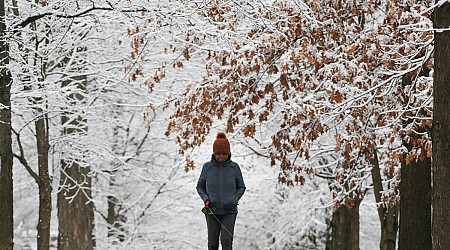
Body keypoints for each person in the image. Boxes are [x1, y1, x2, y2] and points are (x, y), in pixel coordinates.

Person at [196, 132, 246, 250]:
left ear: (228, 153)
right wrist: (206, 198)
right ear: (214, 153)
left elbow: (241, 187)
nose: (221, 156)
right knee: (212, 244)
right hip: (212, 210)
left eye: (224, 154)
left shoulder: (234, 167)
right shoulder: (207, 167)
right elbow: (200, 186)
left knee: (226, 242)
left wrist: (234, 199)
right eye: (218, 154)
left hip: (230, 210)